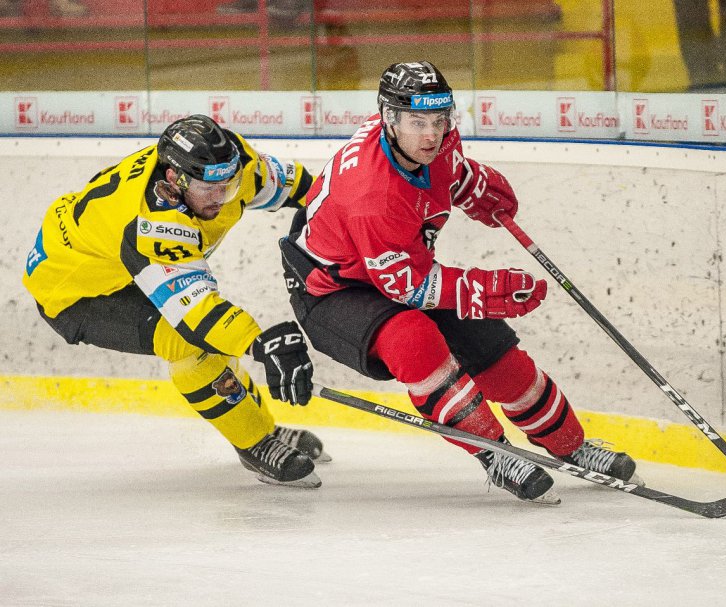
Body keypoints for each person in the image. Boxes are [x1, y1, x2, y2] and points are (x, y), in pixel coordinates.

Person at [277, 61, 641, 504]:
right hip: (332, 289)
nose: (431, 134)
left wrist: (471, 186)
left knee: (492, 352)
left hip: (393, 265)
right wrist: (481, 289)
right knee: (414, 340)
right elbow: (407, 288)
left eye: (439, 119)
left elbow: (447, 168)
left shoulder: (435, 140)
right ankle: (496, 454)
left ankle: (572, 447)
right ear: (389, 118)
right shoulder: (372, 194)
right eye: (417, 123)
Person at [23, 114, 329, 488]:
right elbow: (196, 316)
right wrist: (259, 343)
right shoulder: (153, 223)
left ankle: (261, 427)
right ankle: (254, 443)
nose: (221, 197)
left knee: (216, 340)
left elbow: (305, 189)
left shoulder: (232, 163)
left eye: (229, 186)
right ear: (174, 180)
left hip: (114, 259)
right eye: (208, 190)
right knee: (190, 344)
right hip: (74, 291)